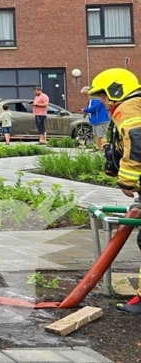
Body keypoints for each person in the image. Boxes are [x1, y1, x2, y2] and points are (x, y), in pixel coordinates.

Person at [86, 68, 141, 314]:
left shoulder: (128, 108)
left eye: (105, 97)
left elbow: (137, 141)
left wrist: (127, 179)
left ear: (116, 89)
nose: (105, 103)